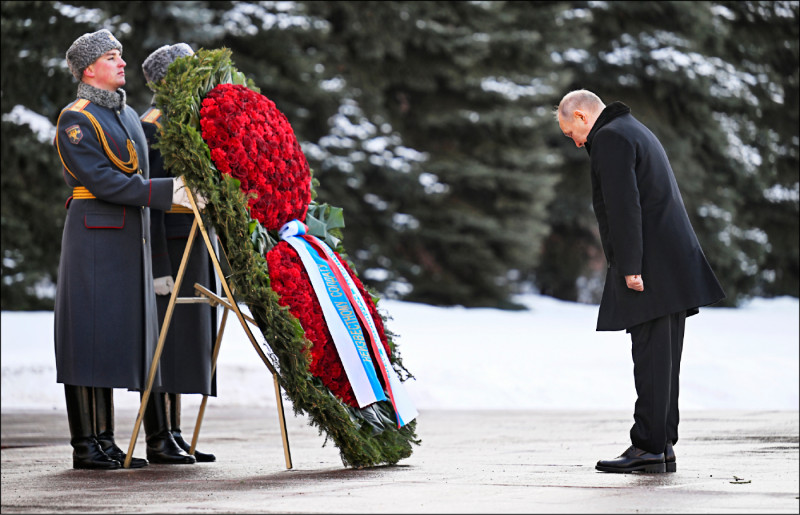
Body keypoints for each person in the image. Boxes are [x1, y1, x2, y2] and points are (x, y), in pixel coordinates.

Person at [54, 29, 204, 470]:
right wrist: (169, 192)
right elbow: (104, 181)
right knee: (87, 337)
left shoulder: (127, 116)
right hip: (94, 237)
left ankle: (107, 442)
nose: (122, 62)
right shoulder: (76, 118)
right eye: (111, 56)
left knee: (116, 338)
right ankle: (88, 445)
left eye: (120, 55)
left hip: (126, 238)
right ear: (88, 69)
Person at [555, 89, 726, 473]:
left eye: (571, 133)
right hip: (670, 261)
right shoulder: (633, 129)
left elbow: (624, 204)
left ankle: (648, 446)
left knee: (650, 356)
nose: (576, 142)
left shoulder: (610, 138)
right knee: (664, 360)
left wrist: (631, 266)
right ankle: (661, 444)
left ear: (582, 117)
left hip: (649, 265)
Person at [139, 43, 217, 464]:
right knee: (163, 341)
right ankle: (158, 437)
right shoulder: (152, 125)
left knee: (187, 341)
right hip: (170, 243)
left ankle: (175, 432)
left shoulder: (191, 120)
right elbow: (149, 197)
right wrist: (158, 265)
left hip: (196, 241)